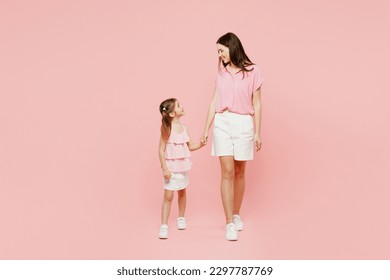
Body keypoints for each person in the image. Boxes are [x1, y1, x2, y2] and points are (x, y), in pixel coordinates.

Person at [200, 32, 264, 241]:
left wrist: (257, 131)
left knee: (239, 171)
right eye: (218, 52)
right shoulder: (221, 73)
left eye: (221, 50)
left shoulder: (253, 71)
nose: (219, 55)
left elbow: (257, 102)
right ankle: (229, 223)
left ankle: (236, 214)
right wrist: (205, 128)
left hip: (244, 122)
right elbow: (213, 101)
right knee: (226, 171)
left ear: (231, 46)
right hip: (223, 122)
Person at [158, 98, 205, 239]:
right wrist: (165, 168)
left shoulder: (185, 129)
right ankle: (164, 225)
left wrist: (201, 144)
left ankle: (181, 218)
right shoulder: (166, 129)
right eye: (179, 106)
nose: (182, 106)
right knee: (168, 196)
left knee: (182, 192)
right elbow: (161, 150)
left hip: (182, 167)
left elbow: (190, 146)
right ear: (172, 113)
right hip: (171, 168)